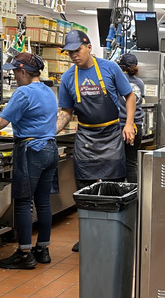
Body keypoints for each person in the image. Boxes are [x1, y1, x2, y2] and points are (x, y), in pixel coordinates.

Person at [57, 31, 136, 251]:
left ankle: (116, 232)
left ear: (89, 47)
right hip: (85, 138)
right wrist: (51, 131)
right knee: (84, 190)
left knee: (114, 187)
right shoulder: (67, 78)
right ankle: (88, 236)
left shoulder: (110, 69)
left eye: (77, 50)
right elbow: (65, 111)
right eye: (70, 52)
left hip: (111, 133)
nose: (74, 55)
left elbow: (130, 96)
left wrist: (128, 124)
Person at [0, 53, 58, 269]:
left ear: (23, 72)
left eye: (15, 71)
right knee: (43, 202)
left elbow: (1, 120)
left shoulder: (23, 92)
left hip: (31, 150)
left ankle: (24, 253)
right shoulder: (48, 91)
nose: (14, 75)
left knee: (24, 202)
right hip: (50, 149)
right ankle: (42, 249)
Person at [116, 53, 145, 184]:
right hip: (137, 126)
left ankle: (118, 195)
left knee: (117, 163)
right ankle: (134, 197)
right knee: (131, 164)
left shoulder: (119, 81)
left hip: (122, 126)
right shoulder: (140, 82)